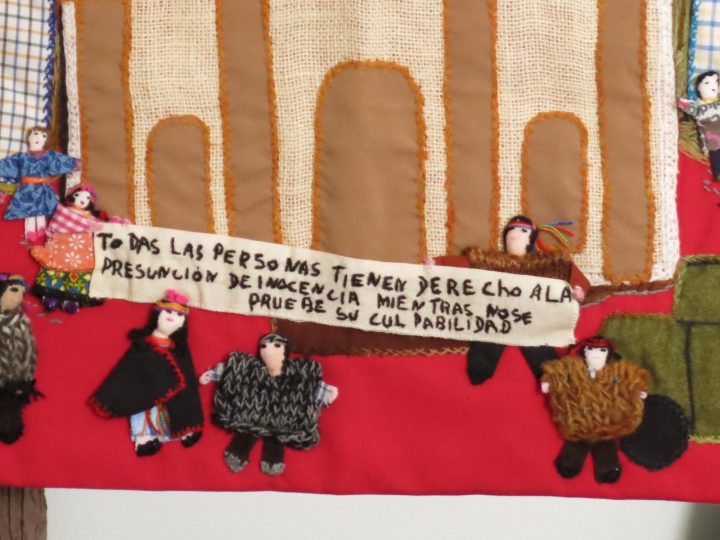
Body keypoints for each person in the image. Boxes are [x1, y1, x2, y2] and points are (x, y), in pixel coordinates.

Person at [429, 215, 589, 385]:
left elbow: (568, 269)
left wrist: (579, 288)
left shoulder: (546, 263)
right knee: (488, 340)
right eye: (511, 231)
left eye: (523, 231)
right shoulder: (493, 262)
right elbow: (468, 263)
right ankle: (479, 370)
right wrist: (438, 263)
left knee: (538, 346)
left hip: (532, 317)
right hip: (498, 315)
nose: (515, 235)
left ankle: (552, 377)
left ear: (532, 239)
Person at [201, 333, 338, 475]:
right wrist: (213, 374)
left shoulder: (300, 374)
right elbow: (231, 374)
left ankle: (273, 459)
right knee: (248, 430)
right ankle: (238, 452)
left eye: (277, 345)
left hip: (283, 418)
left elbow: (311, 387)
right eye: (264, 346)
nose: (268, 350)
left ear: (285, 350)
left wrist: (326, 393)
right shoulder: (248, 368)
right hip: (251, 413)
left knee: (277, 436)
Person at [89, 290, 203, 456]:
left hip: (168, 394)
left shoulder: (178, 350)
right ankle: (144, 438)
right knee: (139, 403)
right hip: (144, 387)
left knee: (172, 405)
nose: (172, 316)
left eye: (179, 315)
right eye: (168, 311)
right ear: (157, 315)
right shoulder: (143, 345)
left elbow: (187, 376)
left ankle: (182, 428)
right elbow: (129, 369)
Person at [541, 336, 649, 483]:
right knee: (578, 439)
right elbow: (561, 373)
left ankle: (607, 467)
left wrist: (637, 389)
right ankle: (570, 463)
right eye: (591, 349)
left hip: (606, 417)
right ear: (584, 352)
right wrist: (550, 381)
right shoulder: (576, 371)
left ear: (608, 354)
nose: (596, 354)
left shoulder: (614, 375)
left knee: (605, 442)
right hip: (581, 416)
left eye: (602, 351)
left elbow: (628, 380)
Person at [29, 183, 130, 314]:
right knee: (55, 271)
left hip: (82, 254)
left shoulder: (94, 221)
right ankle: (50, 296)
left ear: (91, 202)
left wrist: (117, 223)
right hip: (60, 249)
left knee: (78, 276)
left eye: (87, 198)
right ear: (71, 197)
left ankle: (72, 300)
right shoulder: (62, 212)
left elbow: (104, 228)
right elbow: (54, 226)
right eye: (77, 195)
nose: (81, 200)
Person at [0, 127, 81, 243]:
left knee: (42, 209)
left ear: (46, 141)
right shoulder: (21, 157)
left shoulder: (49, 156)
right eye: (35, 134)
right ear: (29, 138)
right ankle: (30, 232)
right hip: (26, 188)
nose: (38, 137)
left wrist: (74, 164)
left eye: (43, 136)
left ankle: (42, 229)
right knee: (28, 210)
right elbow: (8, 165)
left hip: (43, 188)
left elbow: (58, 161)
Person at [0, 274, 41, 444]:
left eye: (22, 293)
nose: (19, 297)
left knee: (9, 414)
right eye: (14, 290)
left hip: (13, 383)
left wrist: (26, 379)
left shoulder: (22, 322)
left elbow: (29, 350)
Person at [678, 70, 720, 182]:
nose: (712, 86)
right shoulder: (699, 107)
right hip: (711, 139)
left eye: (715, 83)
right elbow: (686, 105)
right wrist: (680, 101)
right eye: (707, 83)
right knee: (715, 155)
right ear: (699, 88)